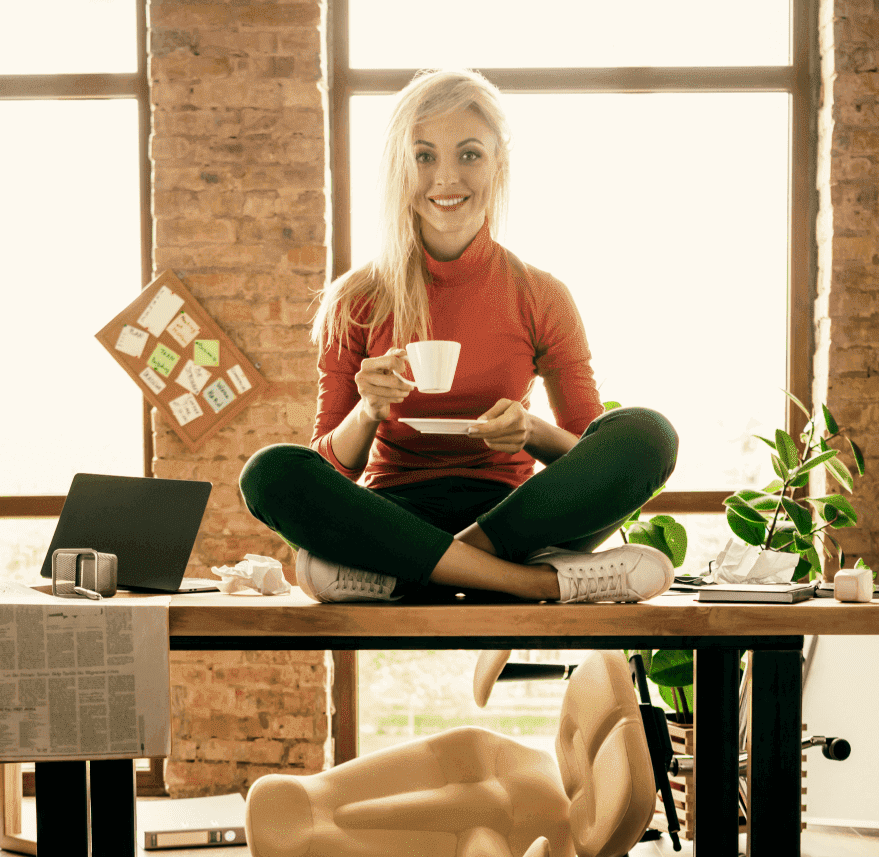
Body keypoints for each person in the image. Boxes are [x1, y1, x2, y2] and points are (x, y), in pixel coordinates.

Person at [237, 69, 678, 604]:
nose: (446, 178)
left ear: (499, 164)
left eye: (469, 154)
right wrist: (368, 411)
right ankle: (534, 582)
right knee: (270, 472)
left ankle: (412, 576)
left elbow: (590, 458)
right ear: (401, 167)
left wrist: (531, 430)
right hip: (394, 515)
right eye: (424, 157)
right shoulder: (357, 298)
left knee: (647, 433)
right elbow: (328, 469)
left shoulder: (541, 295)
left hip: (515, 519)